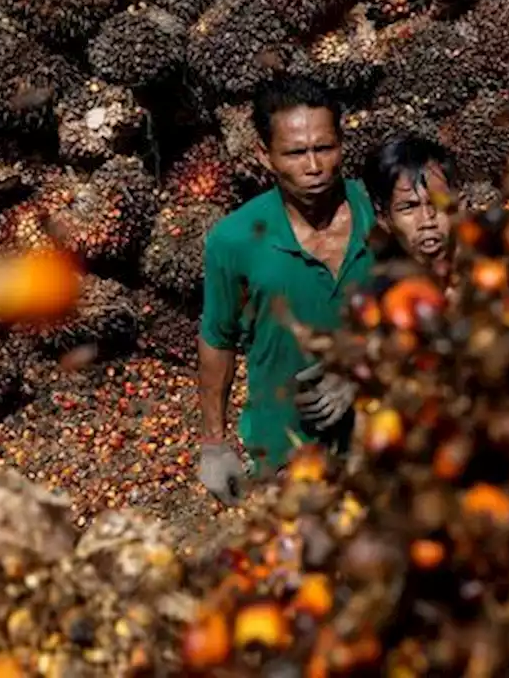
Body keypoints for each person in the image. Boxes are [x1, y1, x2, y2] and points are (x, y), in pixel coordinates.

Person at [196, 74, 375, 505]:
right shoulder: (234, 240)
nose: (313, 167)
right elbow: (217, 339)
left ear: (342, 144)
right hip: (285, 450)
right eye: (295, 153)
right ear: (265, 155)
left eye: (324, 148)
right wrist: (214, 445)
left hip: (382, 434)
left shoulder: (378, 209)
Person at [360, 134, 460, 284]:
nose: (427, 220)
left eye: (438, 203)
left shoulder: (493, 276)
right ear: (383, 218)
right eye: (409, 207)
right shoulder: (383, 299)